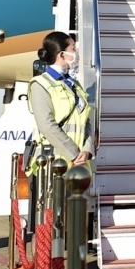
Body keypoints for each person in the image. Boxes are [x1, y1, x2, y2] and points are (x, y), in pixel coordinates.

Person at [29, 32, 94, 171]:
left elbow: (86, 120)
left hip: (79, 164)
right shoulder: (40, 84)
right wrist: (74, 154)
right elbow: (46, 125)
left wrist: (87, 149)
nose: (76, 52)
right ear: (62, 55)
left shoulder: (75, 85)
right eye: (73, 48)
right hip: (52, 163)